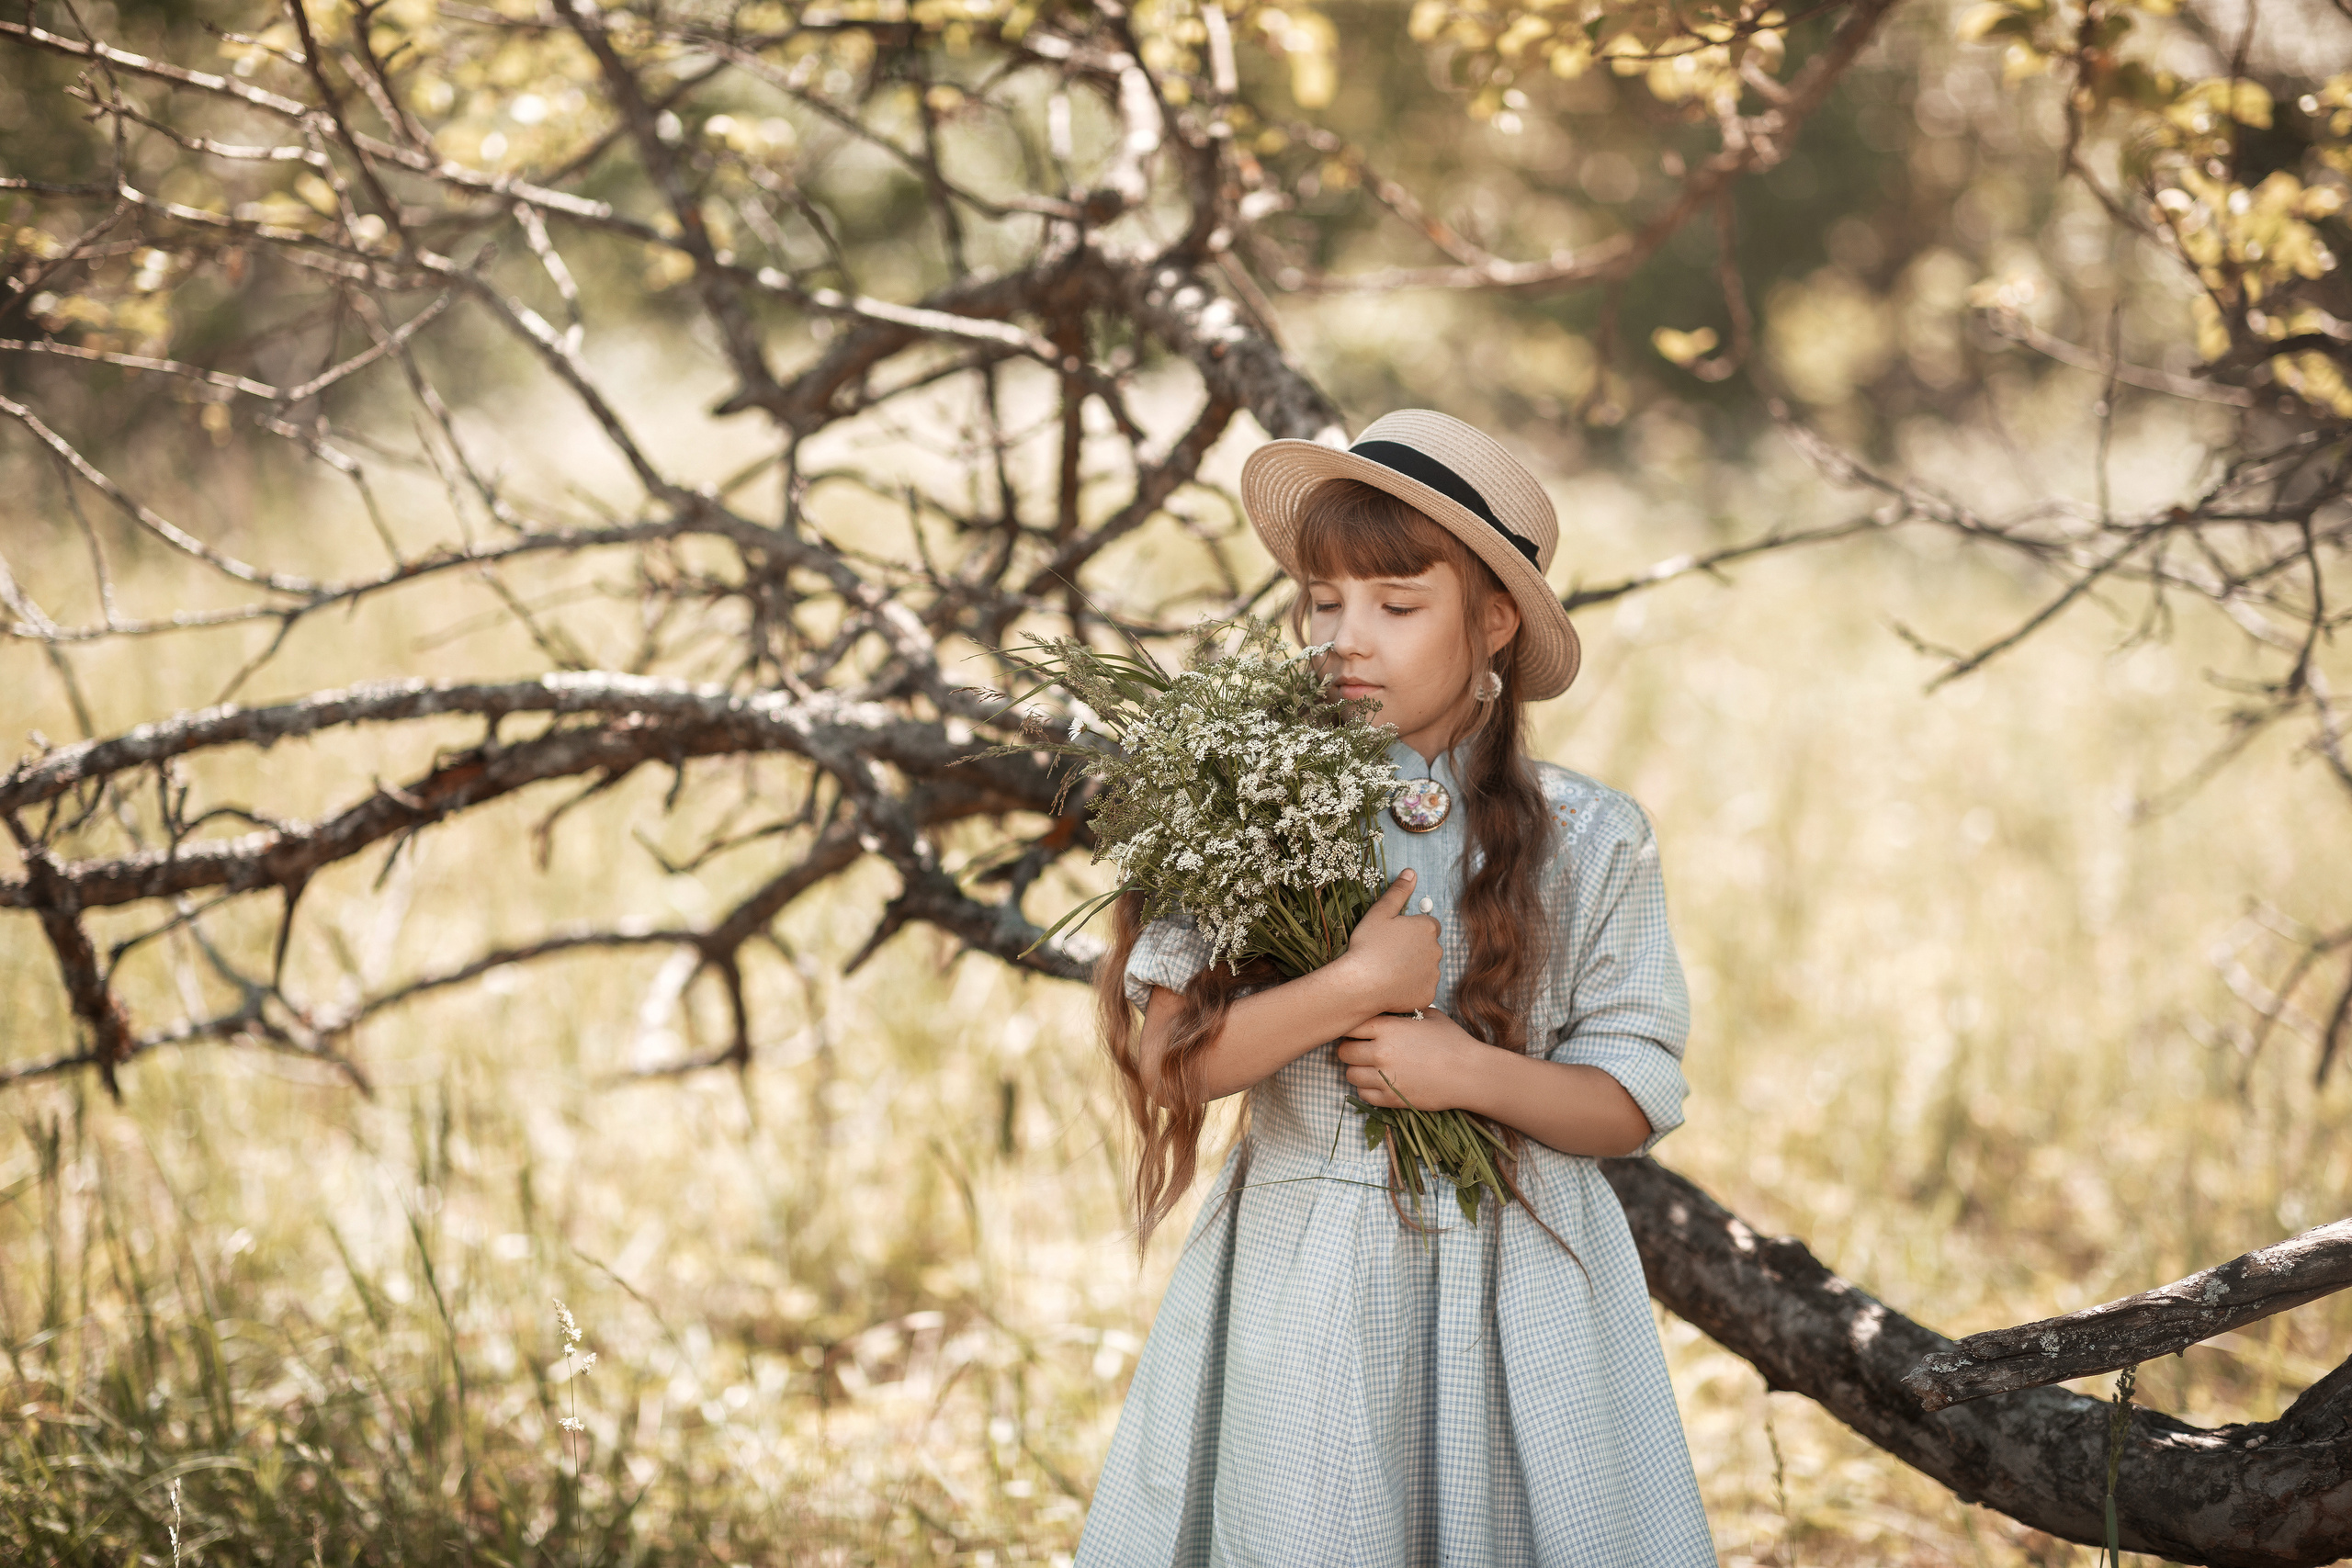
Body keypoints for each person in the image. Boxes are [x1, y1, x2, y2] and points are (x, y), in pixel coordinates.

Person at [1074, 410, 1713, 1566]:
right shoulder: (1256, 810)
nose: (1345, 639)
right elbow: (1173, 1056)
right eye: (1322, 603)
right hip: (1308, 1259)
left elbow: (1632, 1097)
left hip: (1520, 1269)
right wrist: (1354, 985)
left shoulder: (1593, 835)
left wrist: (1466, 1072)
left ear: (1494, 623)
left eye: (1396, 605)